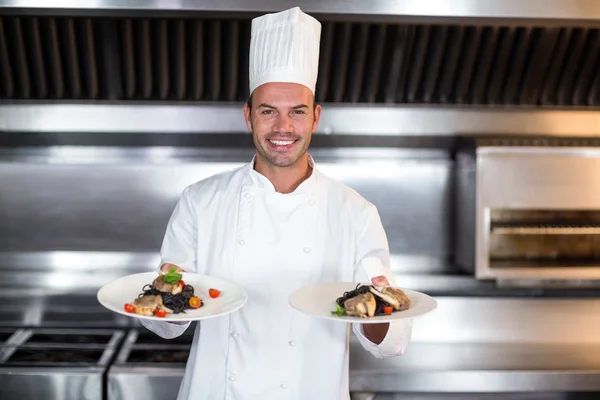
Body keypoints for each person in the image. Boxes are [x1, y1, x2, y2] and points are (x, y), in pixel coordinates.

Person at [140, 6, 413, 400]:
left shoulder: (355, 212)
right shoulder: (201, 201)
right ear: (248, 116)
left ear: (315, 118)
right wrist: (170, 292)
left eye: (297, 113)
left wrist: (377, 304)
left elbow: (390, 342)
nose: (283, 128)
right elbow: (166, 326)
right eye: (268, 111)